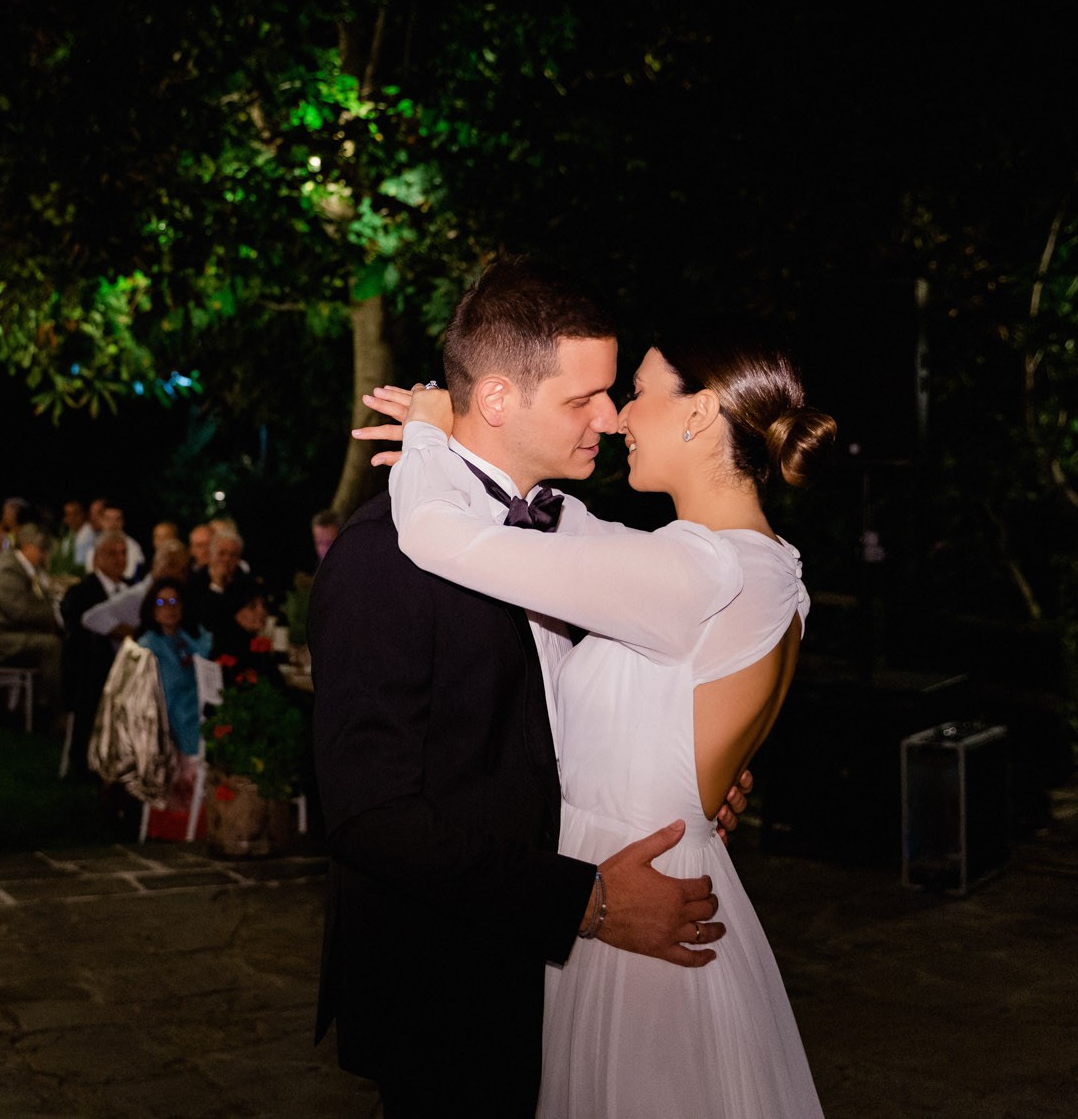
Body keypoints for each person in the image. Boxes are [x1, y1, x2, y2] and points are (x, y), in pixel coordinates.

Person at [364, 323, 835, 1116]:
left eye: (638, 393)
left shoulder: (698, 573)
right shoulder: (765, 565)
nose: (618, 417)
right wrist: (476, 449)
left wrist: (427, 436)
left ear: (700, 411)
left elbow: (437, 536)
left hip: (634, 905)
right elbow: (573, 530)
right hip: (663, 878)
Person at [310, 261, 728, 1117]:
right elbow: (368, 812)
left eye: (610, 393)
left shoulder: (561, 532)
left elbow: (552, 723)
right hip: (447, 983)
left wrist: (695, 766)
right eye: (584, 399)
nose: (608, 419)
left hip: (553, 975)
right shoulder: (383, 556)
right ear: (498, 398)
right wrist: (588, 902)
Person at [0, 522, 63, 713]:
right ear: (27, 546)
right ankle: (47, 709)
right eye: (41, 550)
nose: (44, 556)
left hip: (9, 630)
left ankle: (44, 704)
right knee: (51, 646)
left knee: (54, 640)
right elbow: (20, 611)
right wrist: (53, 616)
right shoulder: (7, 569)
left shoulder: (19, 566)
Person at [59, 530, 136, 773]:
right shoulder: (81, 592)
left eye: (123, 554)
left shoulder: (132, 590)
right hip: (91, 667)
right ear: (97, 558)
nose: (119, 559)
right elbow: (77, 634)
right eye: (112, 554)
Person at [135, 581, 211, 756]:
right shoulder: (147, 646)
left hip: (200, 711)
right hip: (169, 721)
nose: (170, 608)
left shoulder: (191, 636)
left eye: (174, 601)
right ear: (152, 610)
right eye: (161, 602)